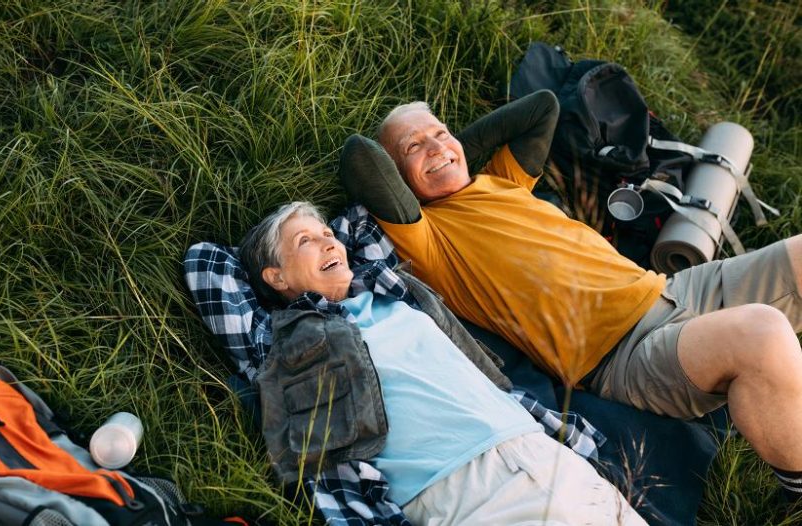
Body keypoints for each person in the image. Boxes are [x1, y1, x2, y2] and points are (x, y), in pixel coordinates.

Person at [338, 88, 802, 502]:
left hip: (672, 290)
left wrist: (447, 149)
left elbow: (543, 107)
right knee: (761, 334)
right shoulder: (425, 237)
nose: (435, 146)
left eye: (440, 133)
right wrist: (437, 157)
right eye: (413, 147)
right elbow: (361, 156)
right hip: (626, 355)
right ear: (398, 177)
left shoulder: (502, 180)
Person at [232, 201, 645, 525]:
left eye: (327, 235)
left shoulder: (390, 288)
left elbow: (358, 217)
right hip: (462, 491)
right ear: (276, 278)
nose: (329, 243)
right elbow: (205, 262)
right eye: (306, 241)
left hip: (543, 453)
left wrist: (319, 242)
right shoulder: (280, 336)